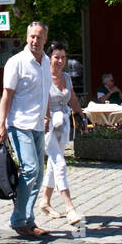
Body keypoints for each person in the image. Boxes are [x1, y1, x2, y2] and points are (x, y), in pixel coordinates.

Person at [0, 22, 52, 239]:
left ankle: (28, 220)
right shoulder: (16, 62)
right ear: (27, 38)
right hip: (19, 124)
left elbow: (45, 92)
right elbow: (6, 96)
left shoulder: (45, 62)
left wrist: (46, 116)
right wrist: (1, 124)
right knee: (30, 170)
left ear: (45, 39)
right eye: (31, 37)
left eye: (39, 37)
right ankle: (18, 220)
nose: (35, 41)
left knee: (38, 176)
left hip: (37, 125)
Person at [37, 41, 84, 225]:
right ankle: (69, 207)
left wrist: (81, 116)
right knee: (60, 164)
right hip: (47, 124)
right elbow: (42, 101)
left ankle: (45, 201)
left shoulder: (66, 76)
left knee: (53, 165)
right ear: (49, 58)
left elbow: (72, 98)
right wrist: (47, 117)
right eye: (57, 57)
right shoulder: (44, 77)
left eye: (63, 57)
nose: (60, 60)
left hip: (63, 124)